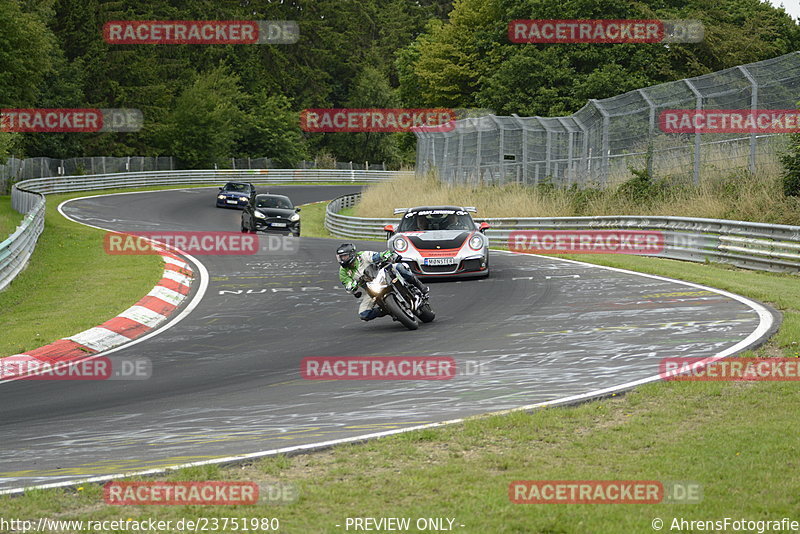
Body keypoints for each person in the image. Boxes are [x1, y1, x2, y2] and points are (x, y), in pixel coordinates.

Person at [336, 243, 429, 321]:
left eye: (344, 256)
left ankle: (421, 287)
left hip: (382, 275)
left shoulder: (363, 255)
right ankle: (387, 310)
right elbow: (347, 285)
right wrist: (351, 287)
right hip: (371, 289)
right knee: (364, 314)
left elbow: (376, 256)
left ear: (352, 254)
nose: (342, 259)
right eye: (341, 257)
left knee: (399, 267)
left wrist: (385, 255)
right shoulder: (343, 271)